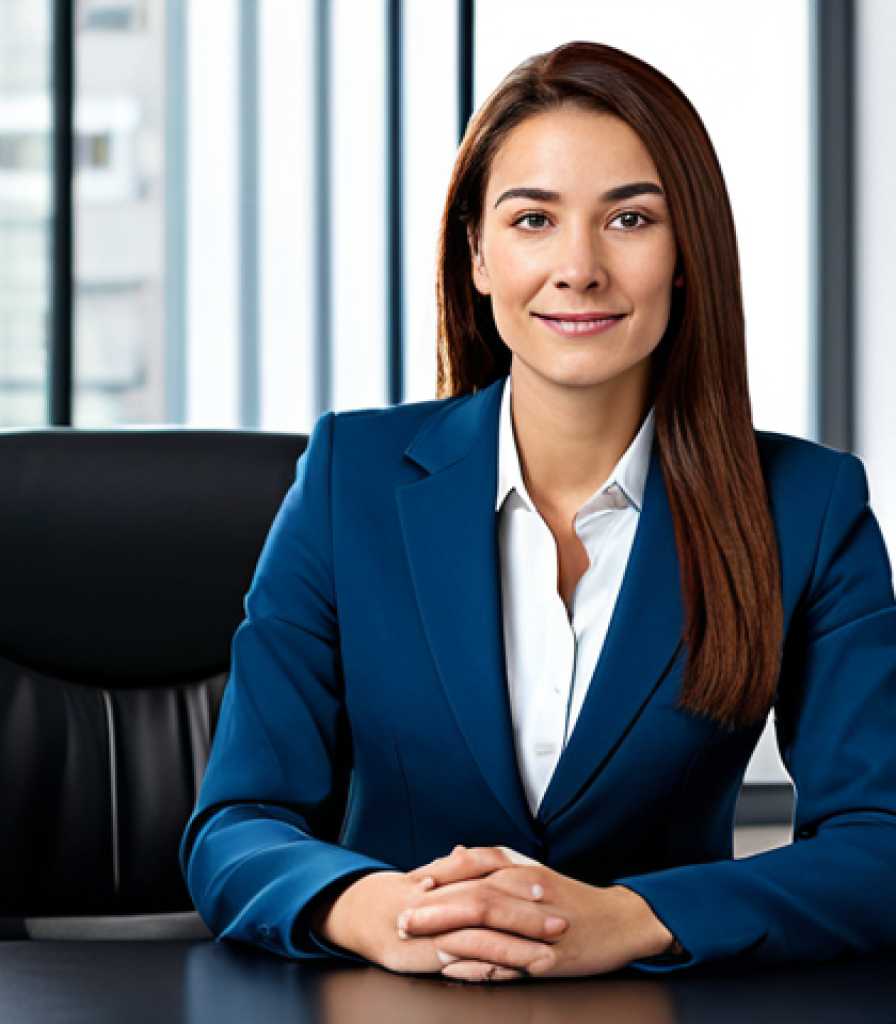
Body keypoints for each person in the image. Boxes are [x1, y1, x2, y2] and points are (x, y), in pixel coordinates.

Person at [180, 41, 896, 982]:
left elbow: (880, 844)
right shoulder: (351, 479)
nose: (579, 268)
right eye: (533, 220)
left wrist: (631, 918)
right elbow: (236, 823)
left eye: (630, 219)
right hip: (395, 1000)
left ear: (687, 254)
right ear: (477, 253)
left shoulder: (806, 506)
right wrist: (380, 910)